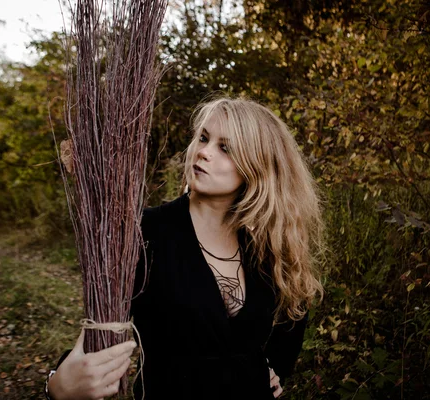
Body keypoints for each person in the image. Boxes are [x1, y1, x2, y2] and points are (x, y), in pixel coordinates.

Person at [46, 96, 325, 400]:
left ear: (256, 167)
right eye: (203, 138)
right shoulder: (143, 233)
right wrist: (58, 387)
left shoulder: (263, 247)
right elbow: (97, 335)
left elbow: (295, 312)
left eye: (225, 148)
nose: (203, 152)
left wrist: (273, 369)